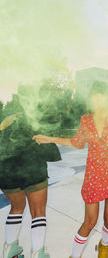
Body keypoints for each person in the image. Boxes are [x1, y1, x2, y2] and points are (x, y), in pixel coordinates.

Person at [33, 81, 108, 258]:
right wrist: (50, 139)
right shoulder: (86, 120)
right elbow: (76, 142)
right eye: (95, 95)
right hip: (94, 176)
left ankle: (104, 246)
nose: (98, 99)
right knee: (89, 222)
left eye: (102, 95)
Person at [0, 88, 61, 258]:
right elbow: (50, 150)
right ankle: (37, 253)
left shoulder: (7, 117)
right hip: (31, 168)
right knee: (38, 211)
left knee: (16, 207)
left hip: (5, 170)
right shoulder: (37, 118)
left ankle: (9, 248)